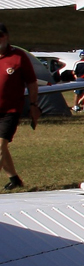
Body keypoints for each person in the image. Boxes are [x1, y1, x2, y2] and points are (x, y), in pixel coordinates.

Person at [0, 23, 41, 190]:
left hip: (10, 110)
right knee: (1, 148)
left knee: (0, 146)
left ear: (6, 37)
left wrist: (33, 105)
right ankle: (15, 179)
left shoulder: (18, 56)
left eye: (0, 35)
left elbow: (32, 83)